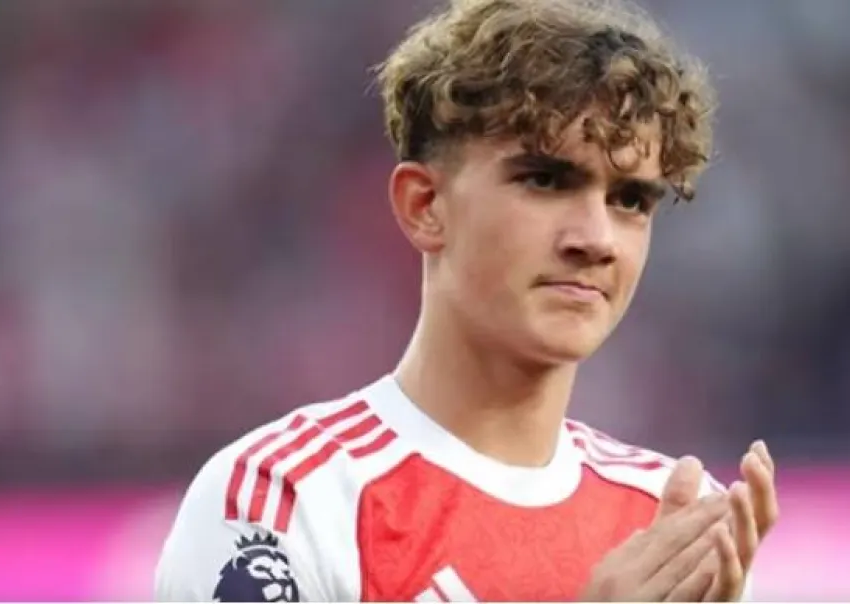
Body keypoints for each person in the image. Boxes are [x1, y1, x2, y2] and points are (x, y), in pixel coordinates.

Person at [154, 0, 778, 600]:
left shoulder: (672, 530)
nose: (596, 240)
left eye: (631, 201)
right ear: (425, 207)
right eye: (545, 180)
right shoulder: (283, 504)